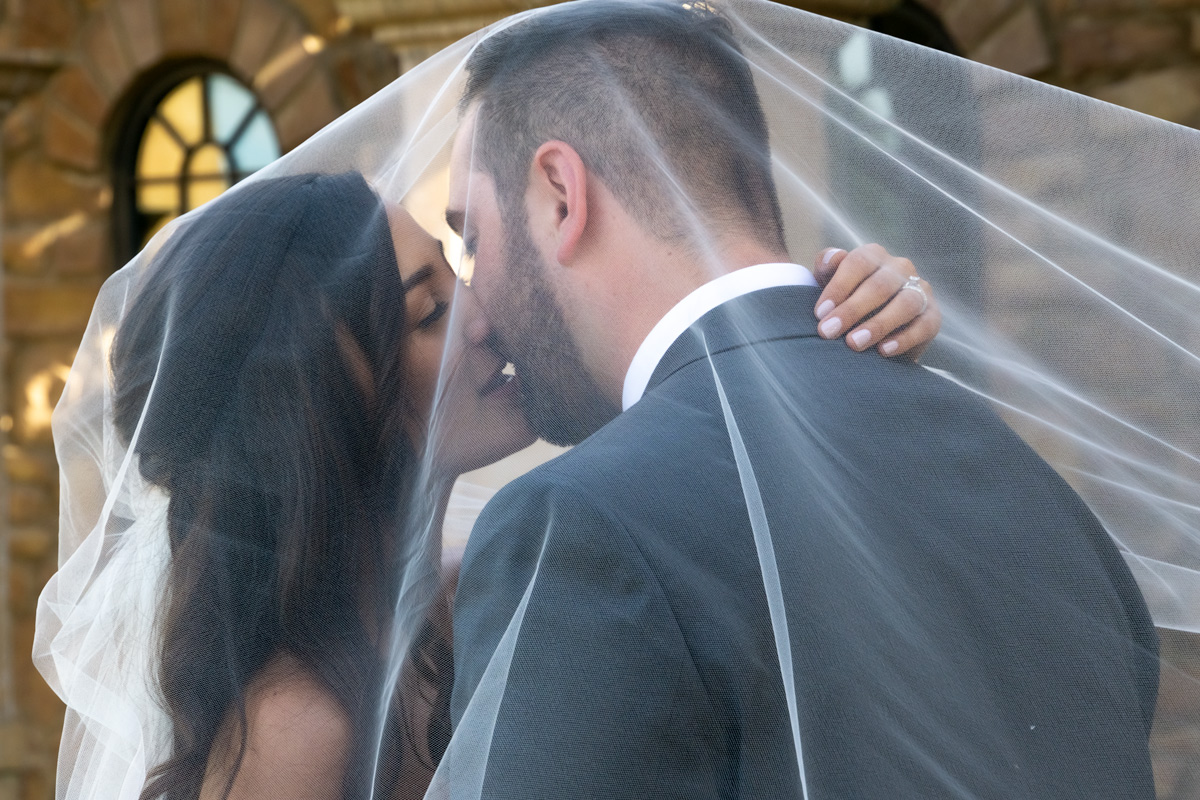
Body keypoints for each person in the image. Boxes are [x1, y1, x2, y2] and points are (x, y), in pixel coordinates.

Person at [33, 162, 940, 800]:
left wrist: (832, 329)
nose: (482, 314)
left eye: (457, 272)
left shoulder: (503, 583)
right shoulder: (298, 730)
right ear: (319, 410)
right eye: (428, 312)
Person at [444, 3, 1161, 798]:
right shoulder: (1026, 478)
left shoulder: (581, 526)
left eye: (472, 237)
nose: (471, 307)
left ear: (559, 195)